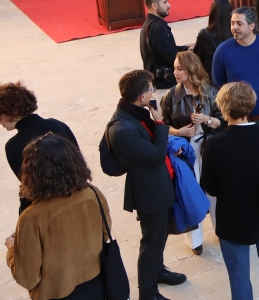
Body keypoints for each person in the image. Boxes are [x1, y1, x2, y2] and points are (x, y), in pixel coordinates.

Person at [200, 82, 259, 300]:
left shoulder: (215, 145)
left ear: (223, 108)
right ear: (251, 105)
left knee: (239, 281)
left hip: (233, 222)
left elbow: (210, 188)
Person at [107, 70, 186, 299]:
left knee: (159, 237)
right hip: (149, 193)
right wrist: (159, 121)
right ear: (142, 96)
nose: (154, 92)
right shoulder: (122, 129)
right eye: (151, 89)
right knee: (151, 242)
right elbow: (157, 154)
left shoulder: (136, 113)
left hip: (159, 184)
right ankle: (148, 292)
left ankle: (158, 271)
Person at [5, 134, 110, 300]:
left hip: (56, 294)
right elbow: (104, 234)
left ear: (32, 172)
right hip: (96, 286)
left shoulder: (31, 218)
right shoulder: (93, 194)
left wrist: (12, 250)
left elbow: (27, 277)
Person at [160, 51, 225, 255]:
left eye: (179, 68)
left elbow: (223, 122)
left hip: (209, 147)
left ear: (191, 69)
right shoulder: (171, 95)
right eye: (174, 68)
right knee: (188, 192)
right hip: (184, 150)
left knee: (214, 191)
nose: (175, 72)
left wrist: (207, 120)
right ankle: (195, 240)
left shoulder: (212, 92)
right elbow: (161, 125)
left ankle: (221, 230)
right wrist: (178, 132)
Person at [0, 82, 78, 213]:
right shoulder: (58, 124)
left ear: (12, 112)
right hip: (76, 196)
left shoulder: (13, 146)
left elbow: (29, 187)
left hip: (45, 211)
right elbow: (78, 162)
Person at [212, 7, 259, 131]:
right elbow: (218, 81)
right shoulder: (223, 50)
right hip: (237, 121)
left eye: (239, 23)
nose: (234, 27)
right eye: (232, 23)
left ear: (252, 25)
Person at [140, 0, 193, 89]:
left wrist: (187, 48)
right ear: (154, 6)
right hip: (164, 82)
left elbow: (167, 48)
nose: (169, 5)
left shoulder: (151, 23)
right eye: (165, 2)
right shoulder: (156, 28)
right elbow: (172, 57)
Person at [194, 0, 234, 76]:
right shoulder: (236, 31)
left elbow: (196, 57)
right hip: (233, 75)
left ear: (212, 12)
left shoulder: (204, 34)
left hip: (213, 77)